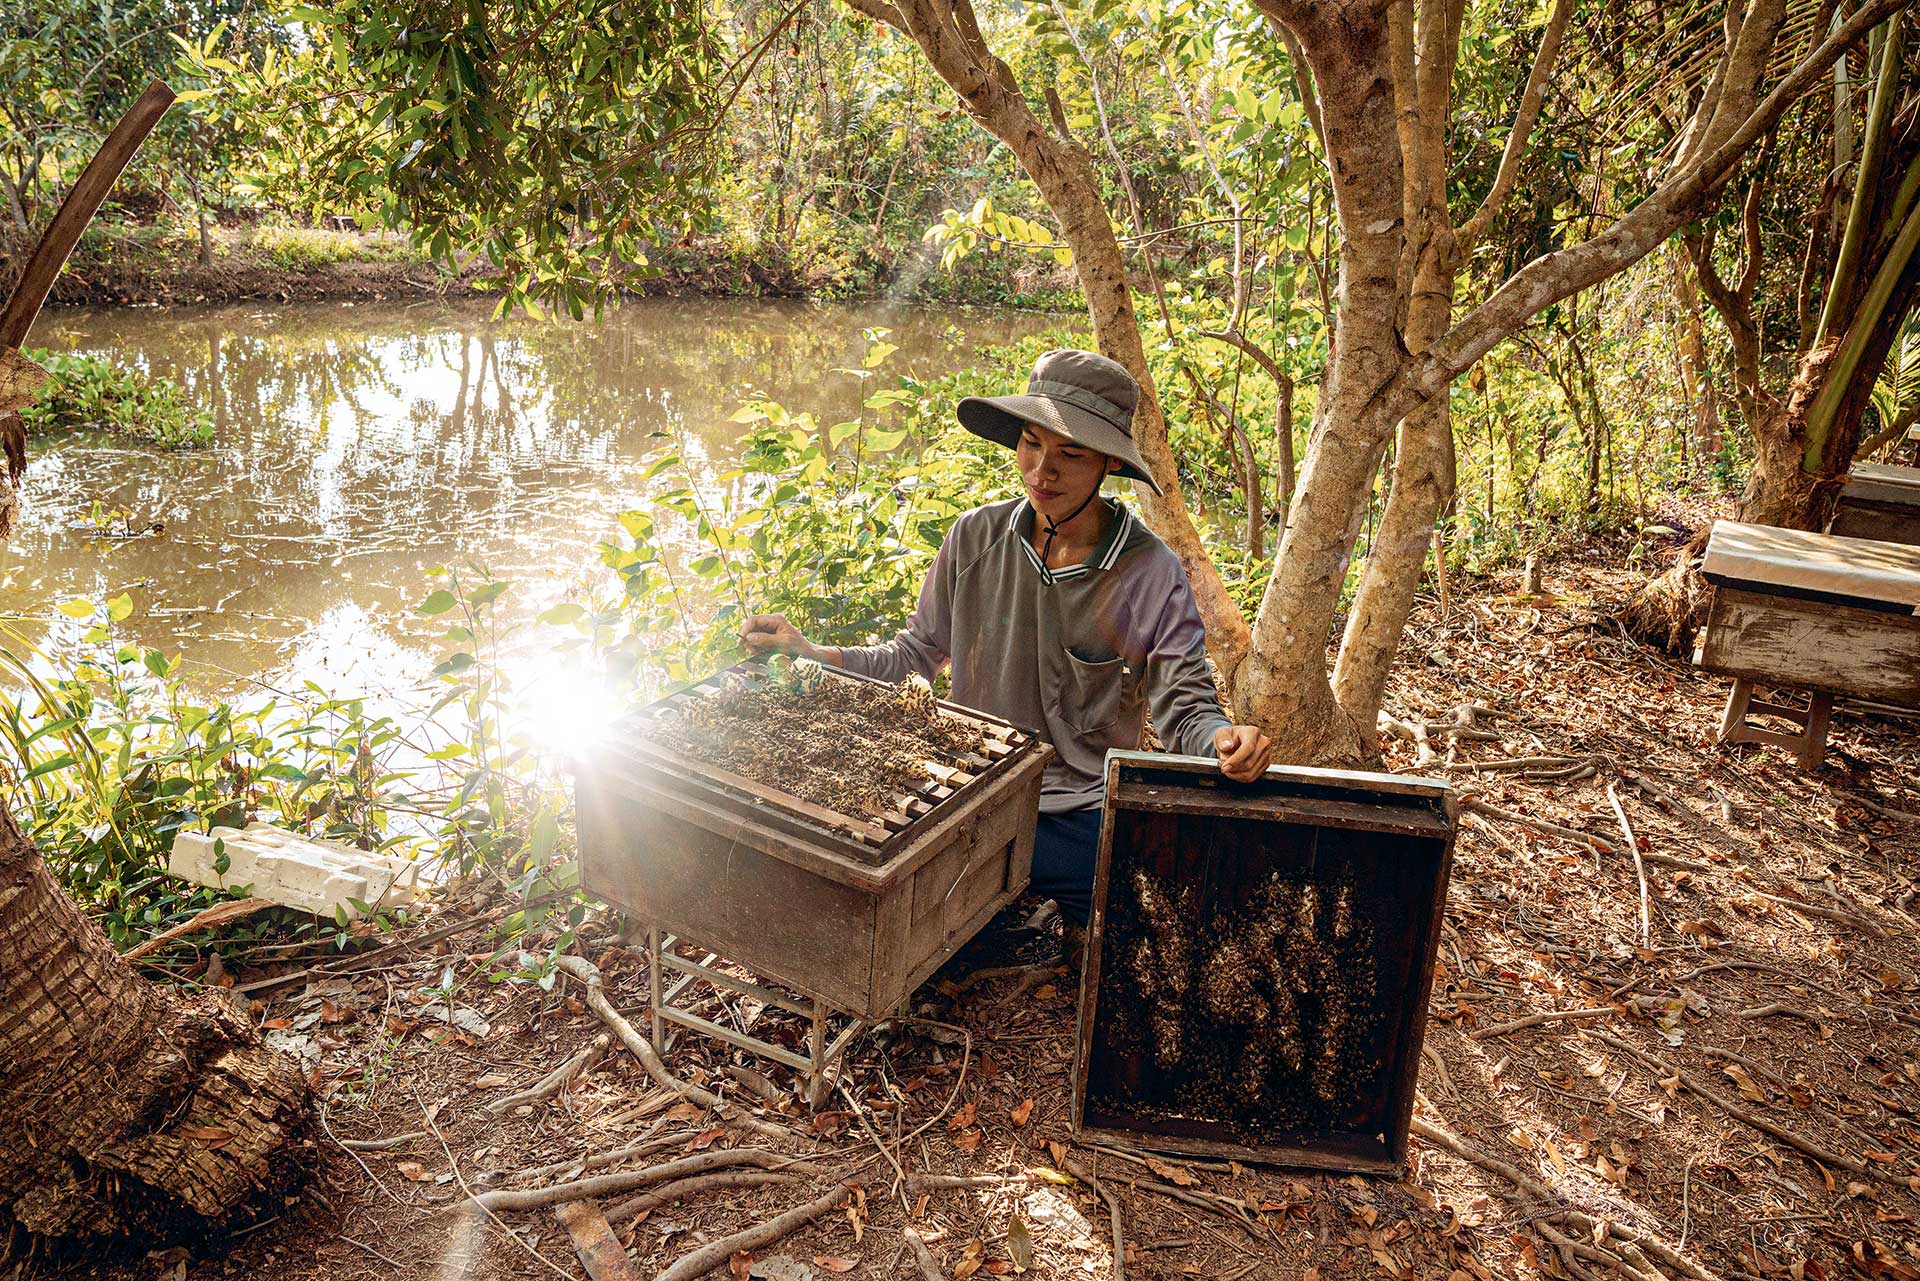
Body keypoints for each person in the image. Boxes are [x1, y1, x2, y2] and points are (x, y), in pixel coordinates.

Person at [740, 348, 1272, 923]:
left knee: (1155, 911)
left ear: (1108, 464)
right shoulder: (974, 537)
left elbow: (1185, 707)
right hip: (964, 793)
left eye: (1070, 453)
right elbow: (914, 656)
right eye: (1030, 443)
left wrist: (1224, 742)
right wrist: (811, 653)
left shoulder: (1149, 572)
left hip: (1078, 810)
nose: (1042, 470)